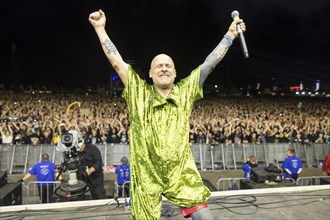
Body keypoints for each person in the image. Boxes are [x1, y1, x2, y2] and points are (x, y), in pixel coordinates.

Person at [89, 9, 246, 220]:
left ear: (175, 72)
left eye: (168, 65)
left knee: (206, 218)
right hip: (147, 178)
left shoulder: (185, 91)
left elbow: (209, 64)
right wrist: (100, 29)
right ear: (150, 74)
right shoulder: (138, 92)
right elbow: (117, 62)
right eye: (159, 66)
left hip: (181, 174)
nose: (164, 68)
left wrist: (230, 35)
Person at [77, 132, 107, 200]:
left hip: (95, 177)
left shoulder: (93, 149)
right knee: (78, 195)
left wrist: (90, 171)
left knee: (98, 195)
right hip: (82, 176)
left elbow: (98, 163)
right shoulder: (76, 151)